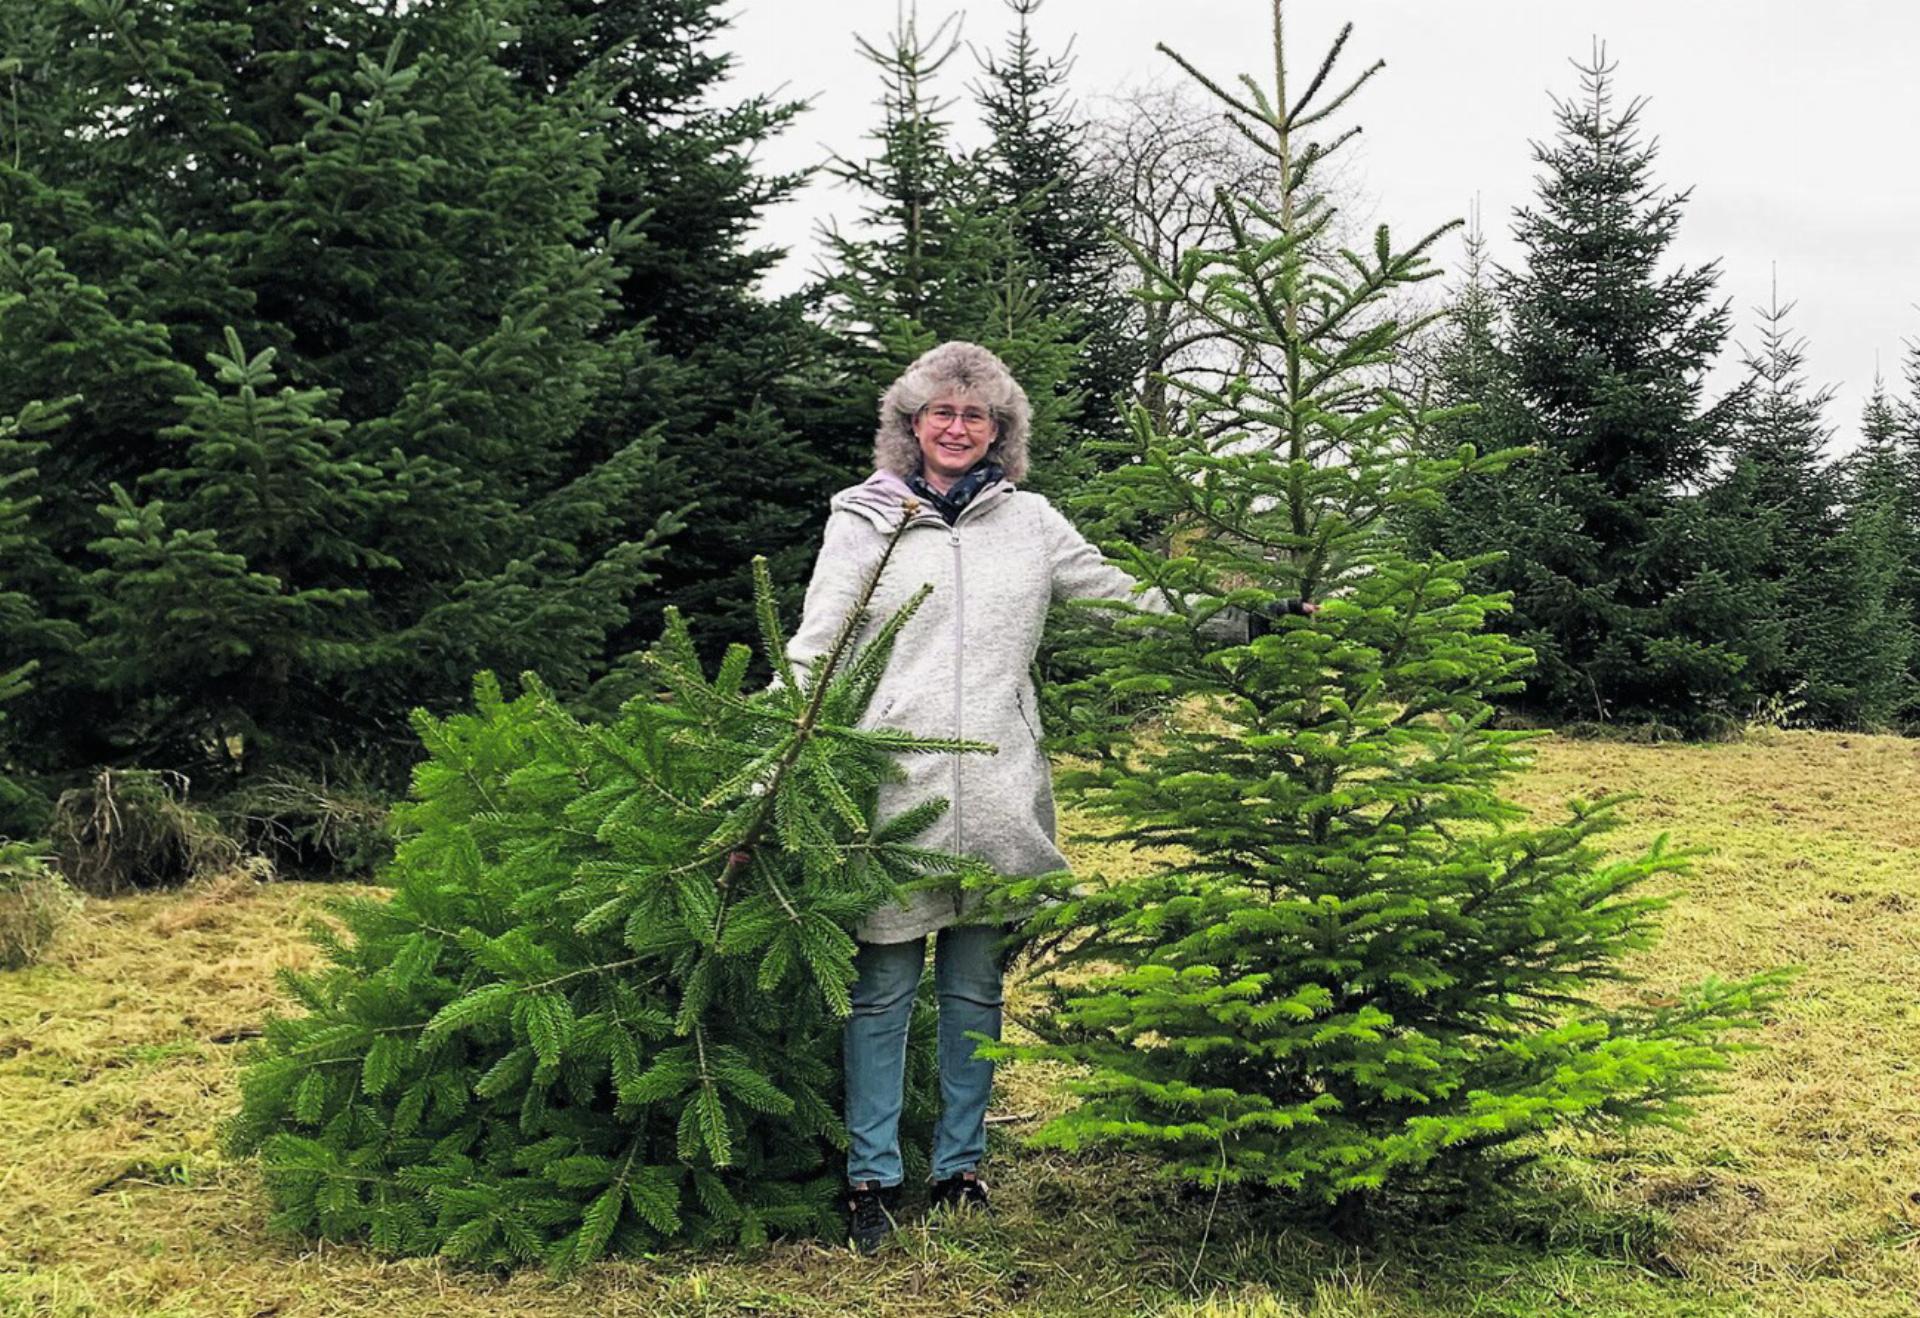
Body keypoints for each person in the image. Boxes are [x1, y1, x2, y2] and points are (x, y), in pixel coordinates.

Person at [785, 341, 1315, 1253]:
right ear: (910, 425)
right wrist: (764, 768)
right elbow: (816, 649)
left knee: (973, 988)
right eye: (940, 413)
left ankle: (960, 1167)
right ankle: (870, 1179)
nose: (956, 428)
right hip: (890, 800)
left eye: (976, 415)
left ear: (1001, 432)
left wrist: (1242, 618)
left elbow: (1124, 601)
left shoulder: (1030, 522)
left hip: (998, 791)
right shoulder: (862, 522)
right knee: (879, 991)